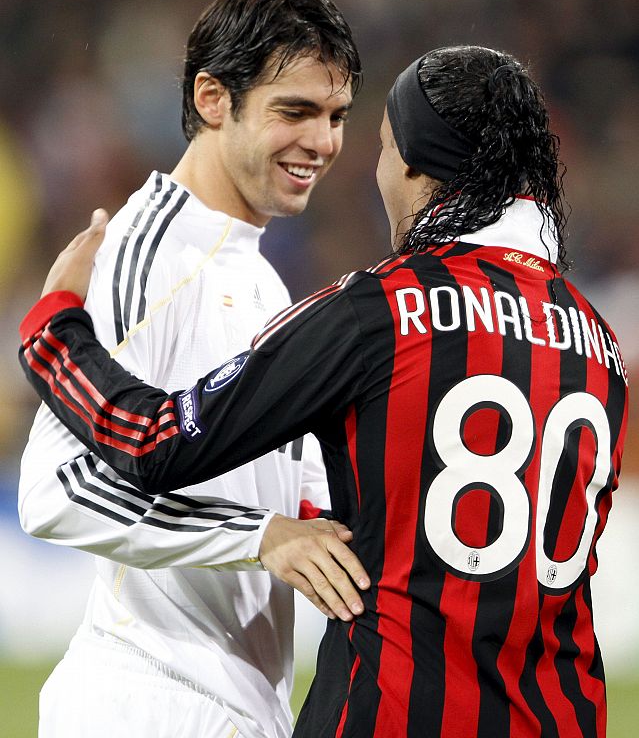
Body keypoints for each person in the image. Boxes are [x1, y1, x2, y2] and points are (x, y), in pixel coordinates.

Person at [19, 45, 628, 738]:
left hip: (388, 715)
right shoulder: (598, 344)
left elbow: (153, 441)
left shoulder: (379, 310)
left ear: (416, 164)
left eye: (379, 145)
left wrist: (56, 330)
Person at [18, 0, 369, 738]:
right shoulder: (144, 252)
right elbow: (55, 488)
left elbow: (292, 491)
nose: (323, 141)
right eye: (295, 111)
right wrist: (258, 538)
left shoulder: (262, 277)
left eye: (336, 115)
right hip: (148, 699)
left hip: (229, 701)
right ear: (213, 100)